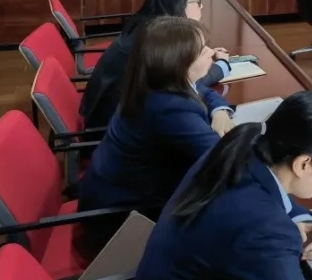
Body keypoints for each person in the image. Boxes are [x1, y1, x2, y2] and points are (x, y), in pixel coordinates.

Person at [135, 91, 312, 280]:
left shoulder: (238, 148)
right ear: (303, 164)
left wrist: (300, 217)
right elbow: (256, 220)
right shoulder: (265, 230)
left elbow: (262, 196)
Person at [78, 16, 234, 251]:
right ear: (179, 64)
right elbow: (226, 160)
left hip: (111, 198)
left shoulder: (153, 82)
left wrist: (220, 111)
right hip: (123, 225)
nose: (212, 53)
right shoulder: (169, 108)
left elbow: (201, 90)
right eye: (203, 51)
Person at [79, 0, 232, 129]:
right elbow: (186, 84)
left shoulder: (146, 26)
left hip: (109, 112)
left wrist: (218, 107)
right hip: (114, 125)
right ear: (178, 4)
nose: (201, 6)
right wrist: (221, 66)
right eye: (197, 0)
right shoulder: (156, 41)